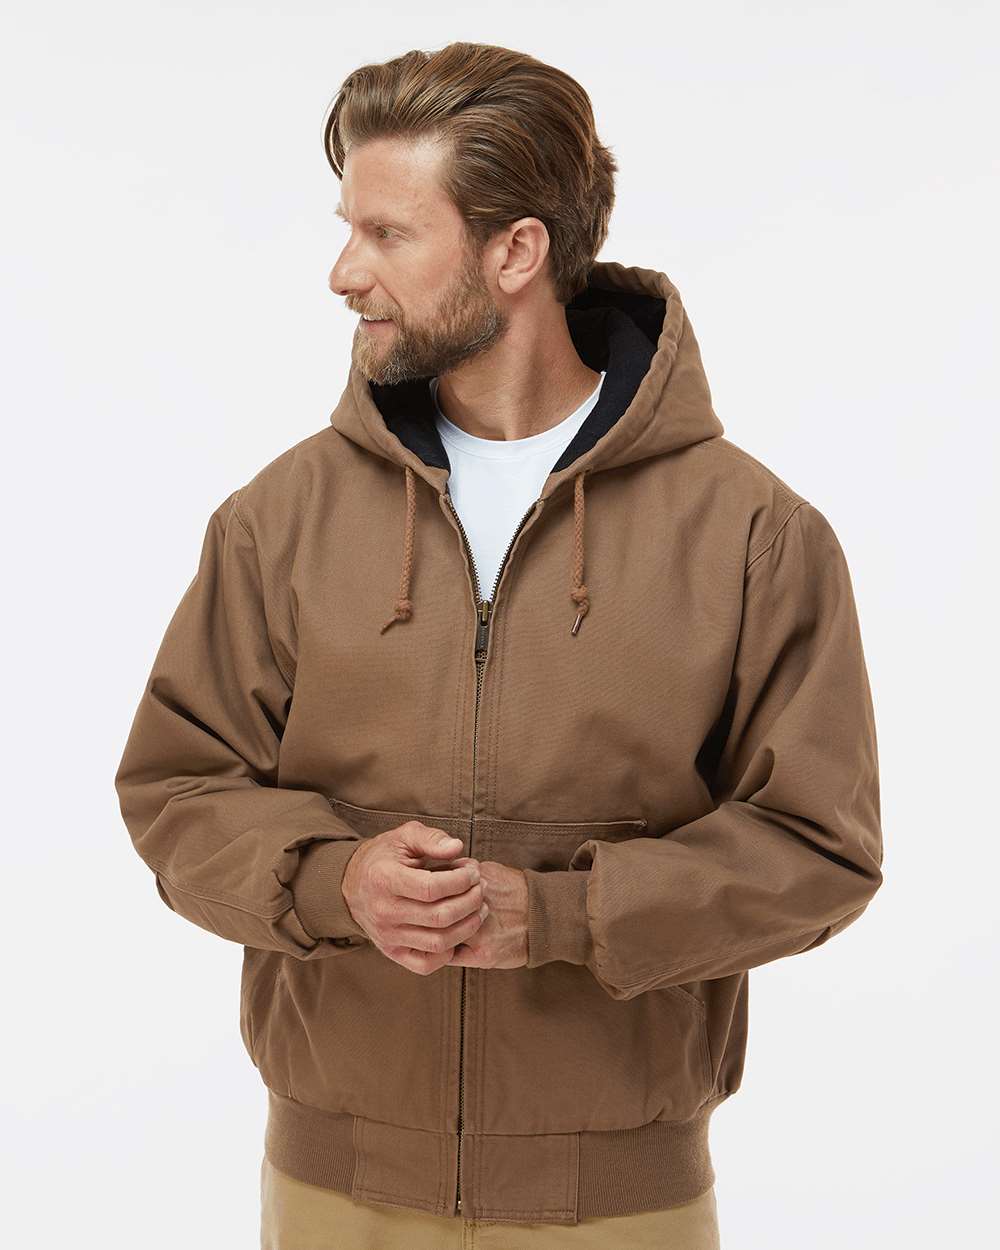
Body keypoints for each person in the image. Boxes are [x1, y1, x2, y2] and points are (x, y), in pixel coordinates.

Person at [114, 40, 884, 1250]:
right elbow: (176, 788)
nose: (343, 272)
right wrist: (335, 880)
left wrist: (568, 916)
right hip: (335, 1191)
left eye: (387, 233)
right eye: (346, 227)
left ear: (514, 252)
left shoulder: (750, 533)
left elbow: (818, 846)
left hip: (618, 1202)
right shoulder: (279, 518)